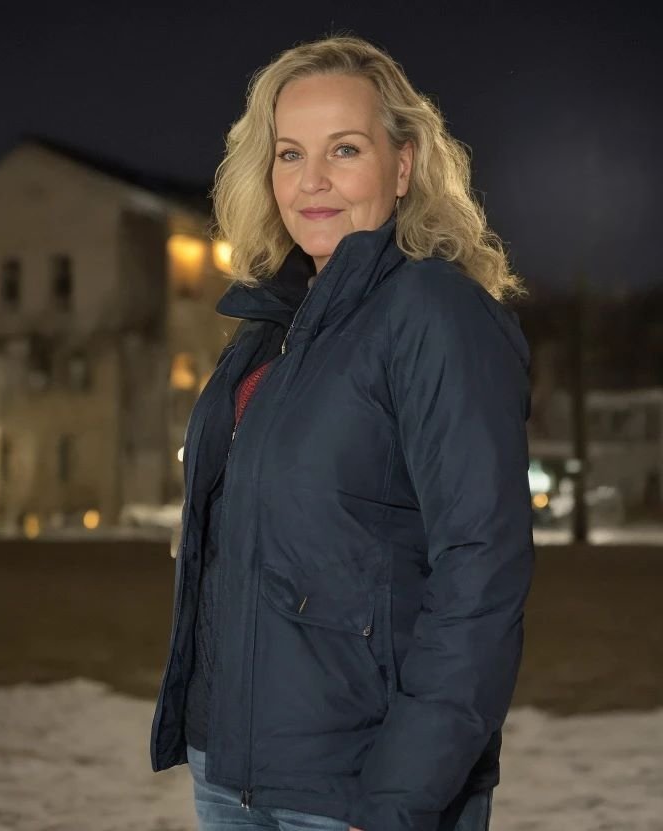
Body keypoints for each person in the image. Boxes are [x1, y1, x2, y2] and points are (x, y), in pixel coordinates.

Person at [150, 33, 534, 831]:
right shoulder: (270, 328)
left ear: (404, 165)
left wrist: (400, 795)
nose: (312, 180)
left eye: (345, 149)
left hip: (356, 788)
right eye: (289, 154)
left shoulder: (433, 312)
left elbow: (481, 572)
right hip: (232, 771)